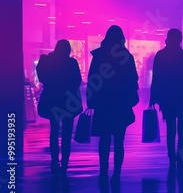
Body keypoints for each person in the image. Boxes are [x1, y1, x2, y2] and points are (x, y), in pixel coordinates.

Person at [87, 25, 139, 182]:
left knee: (104, 139)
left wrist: (91, 100)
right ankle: (117, 172)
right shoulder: (126, 57)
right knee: (119, 140)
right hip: (121, 103)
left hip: (103, 102)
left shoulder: (99, 56)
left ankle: (103, 170)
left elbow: (92, 79)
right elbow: (133, 81)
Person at [150, 29, 183, 169]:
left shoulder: (161, 55)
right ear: (180, 39)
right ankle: (180, 155)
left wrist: (154, 97)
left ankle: (171, 155)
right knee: (182, 129)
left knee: (170, 128)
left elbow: (156, 78)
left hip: (167, 97)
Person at [37, 39, 82, 177]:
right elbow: (77, 81)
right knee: (67, 134)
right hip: (68, 102)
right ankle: (65, 163)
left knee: (54, 131)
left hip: (52, 101)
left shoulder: (48, 61)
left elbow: (42, 77)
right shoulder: (72, 63)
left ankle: (54, 160)